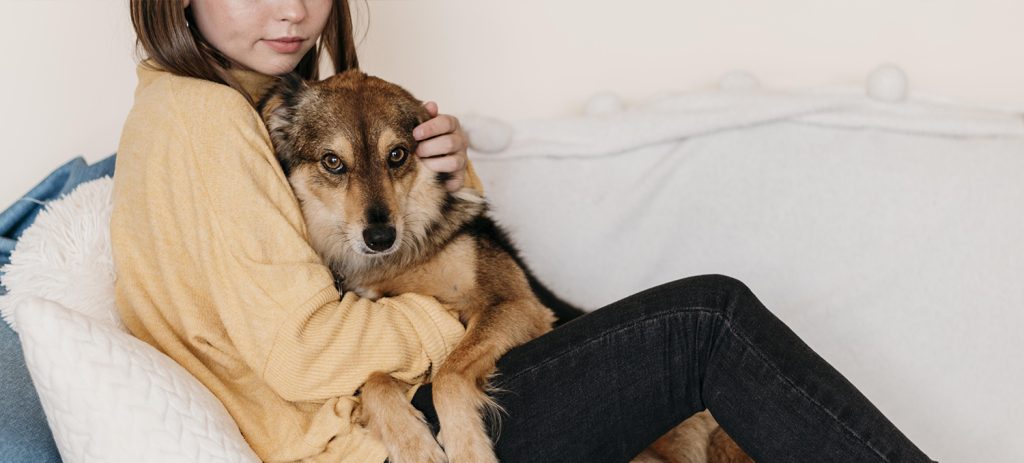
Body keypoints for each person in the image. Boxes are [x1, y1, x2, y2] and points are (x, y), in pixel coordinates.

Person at [113, 1, 936, 462]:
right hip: (367, 442)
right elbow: (303, 349)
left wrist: (447, 181)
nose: (292, 10)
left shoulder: (235, 105)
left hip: (383, 418)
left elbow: (348, 251)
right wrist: (464, 306)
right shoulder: (203, 120)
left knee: (697, 352)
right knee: (704, 324)